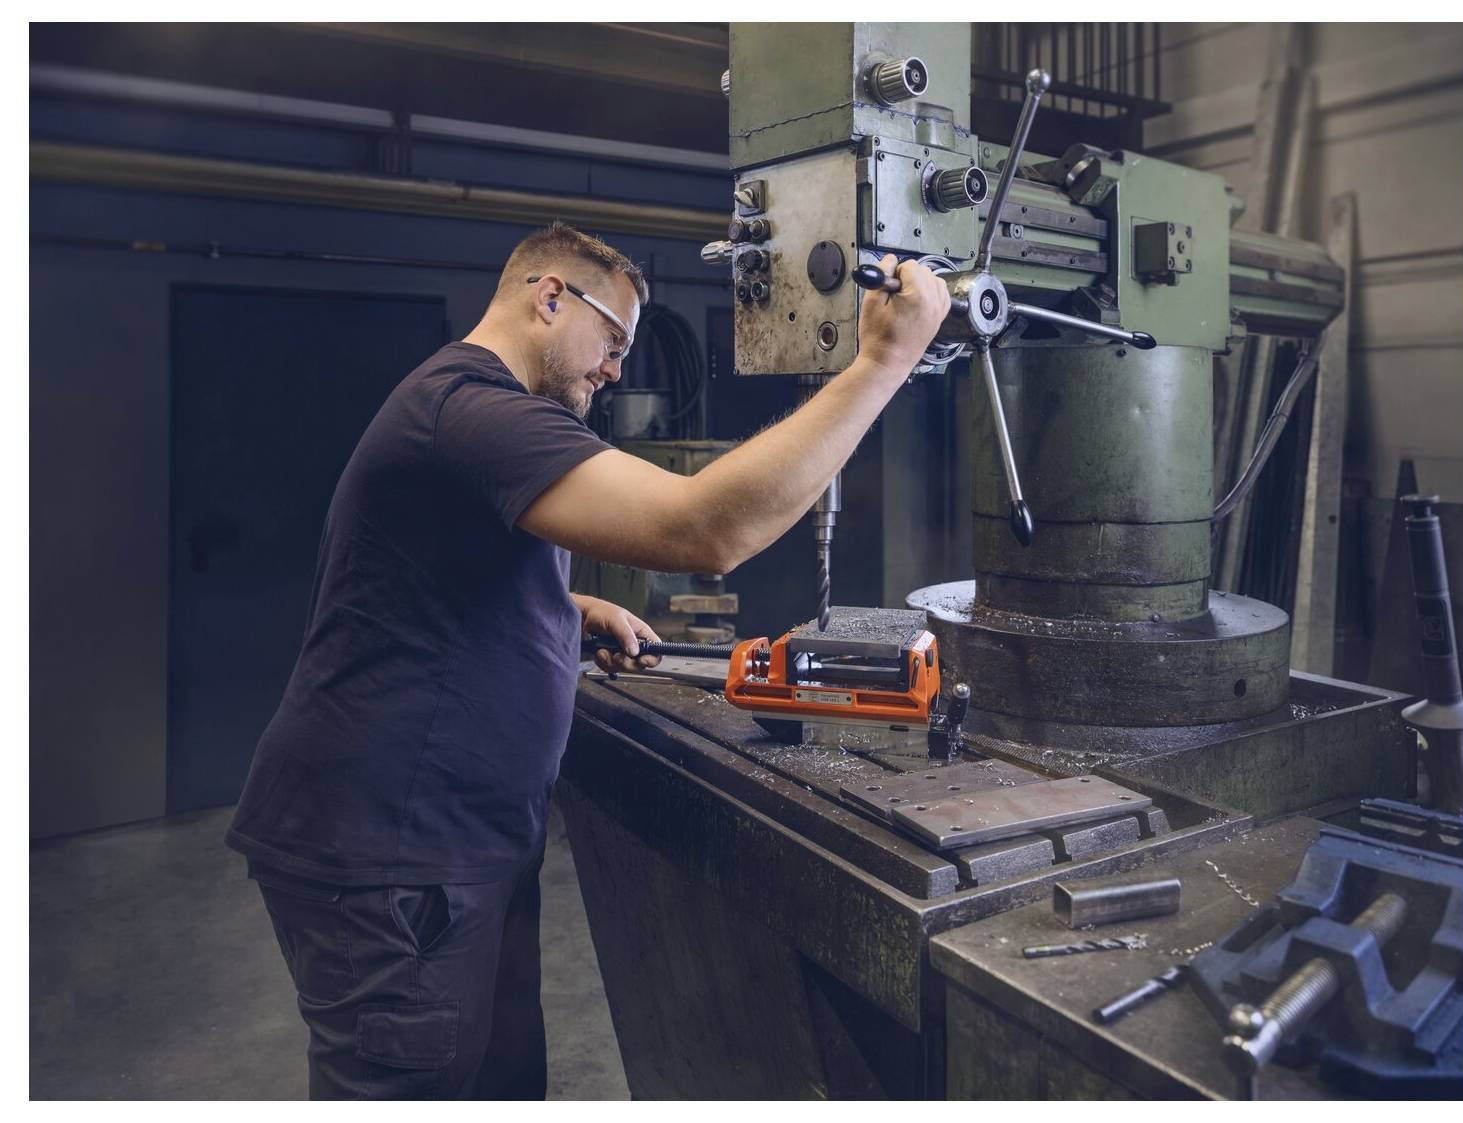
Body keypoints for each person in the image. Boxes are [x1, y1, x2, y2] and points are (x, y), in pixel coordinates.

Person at [226, 221, 950, 1099]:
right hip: (397, 857)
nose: (614, 370)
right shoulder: (472, 408)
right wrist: (882, 362)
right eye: (612, 341)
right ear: (548, 297)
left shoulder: (461, 408)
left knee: (495, 1088)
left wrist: (561, 612)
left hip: (459, 844)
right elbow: (703, 529)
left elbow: (413, 577)